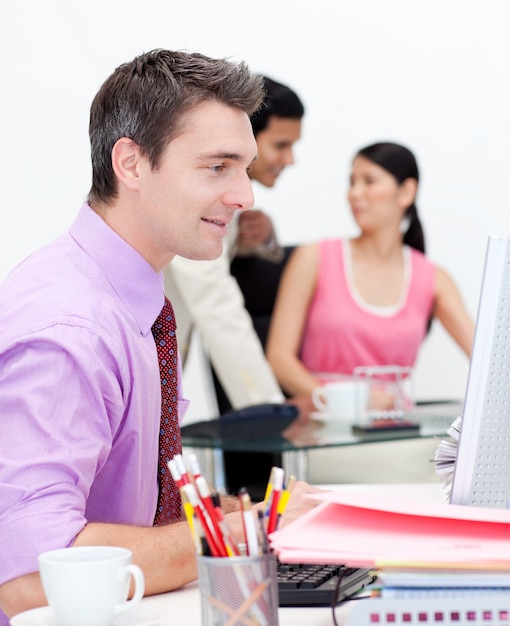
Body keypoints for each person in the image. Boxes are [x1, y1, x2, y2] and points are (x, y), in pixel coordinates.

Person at [0, 49, 317, 623]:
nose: (245, 195)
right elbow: (28, 579)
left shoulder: (132, 300)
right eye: (217, 167)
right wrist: (233, 531)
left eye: (244, 167)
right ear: (132, 164)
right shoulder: (71, 328)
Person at [266, 141, 475, 401]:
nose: (354, 192)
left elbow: (486, 357)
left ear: (406, 192)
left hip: (393, 429)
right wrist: (344, 402)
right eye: (352, 182)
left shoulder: (433, 279)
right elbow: (279, 360)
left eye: (369, 181)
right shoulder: (313, 258)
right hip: (319, 423)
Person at [163, 76, 305, 411]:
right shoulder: (194, 194)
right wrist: (267, 408)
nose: (290, 160)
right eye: (282, 145)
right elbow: (214, 297)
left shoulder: (231, 205)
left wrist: (258, 237)